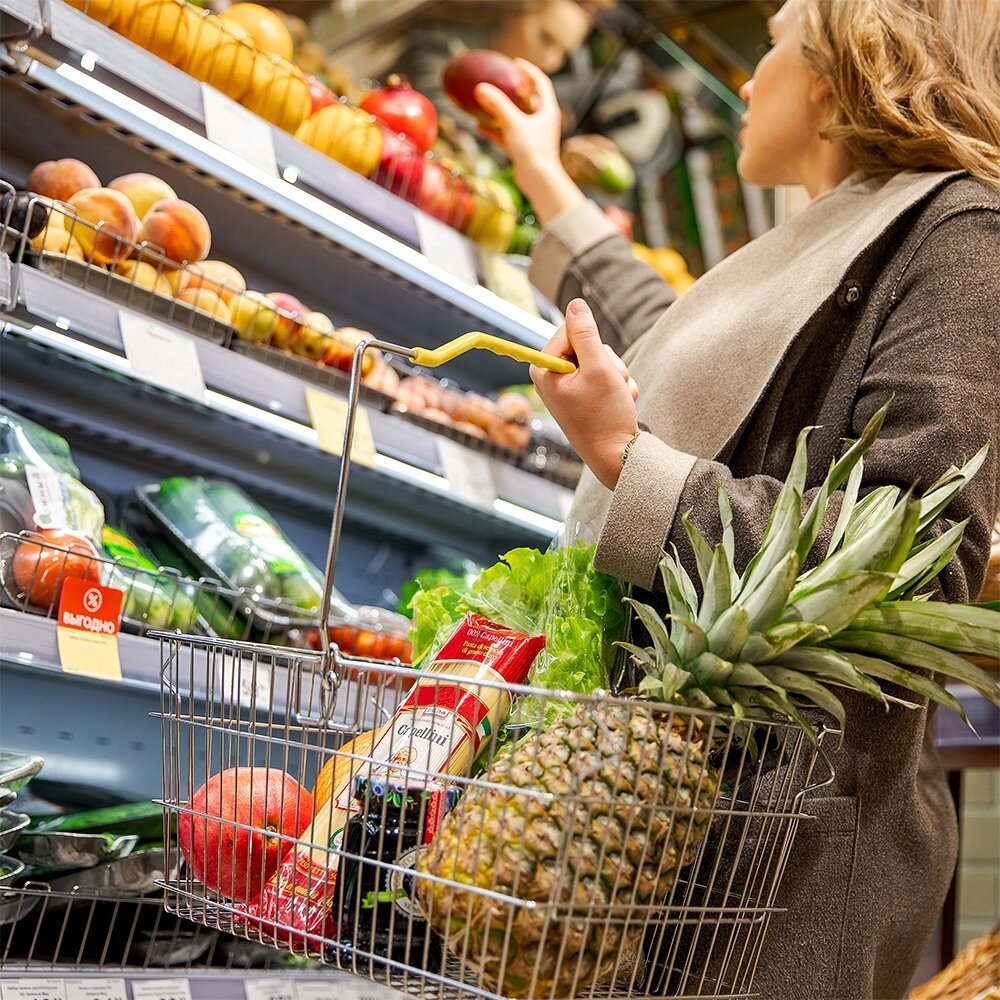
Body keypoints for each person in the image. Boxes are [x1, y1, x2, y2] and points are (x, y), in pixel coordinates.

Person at [472, 0, 1000, 997]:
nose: (748, 78)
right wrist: (540, 168)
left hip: (785, 859)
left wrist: (630, 459)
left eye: (769, 45)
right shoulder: (828, 238)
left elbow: (913, 549)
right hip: (678, 812)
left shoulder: (963, 231)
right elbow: (677, 349)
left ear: (832, 72)